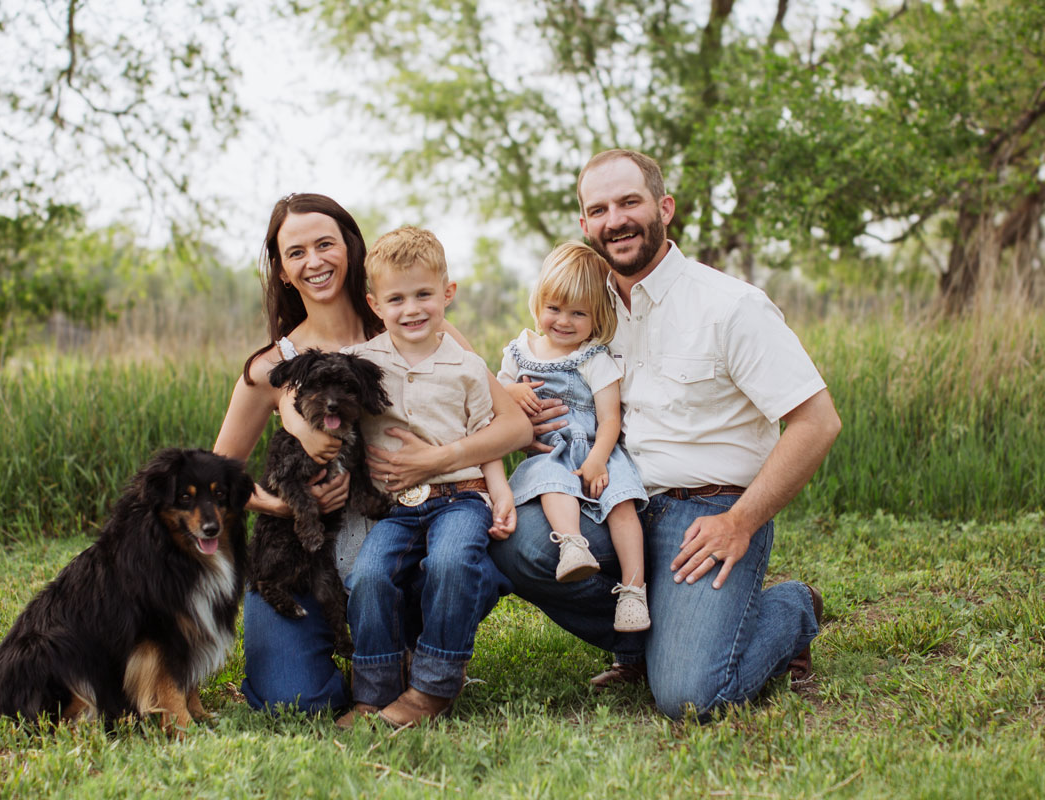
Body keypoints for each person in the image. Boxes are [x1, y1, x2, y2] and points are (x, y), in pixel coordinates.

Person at [488, 149, 842, 720]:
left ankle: (793, 609)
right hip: (609, 498)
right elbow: (540, 383)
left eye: (630, 202)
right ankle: (641, 644)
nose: (615, 220)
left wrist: (740, 521)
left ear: (665, 207)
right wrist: (526, 419)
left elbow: (817, 421)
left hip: (704, 511)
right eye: (598, 209)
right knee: (518, 541)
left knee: (690, 699)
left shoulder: (731, 306)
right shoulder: (585, 311)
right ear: (585, 225)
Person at [214, 195, 530, 714]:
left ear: (351, 250)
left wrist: (439, 460)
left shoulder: (416, 323)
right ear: (283, 271)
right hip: (302, 559)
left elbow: (506, 422)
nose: (313, 261)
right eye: (296, 253)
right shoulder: (272, 367)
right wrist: (282, 504)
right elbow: (218, 475)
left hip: (404, 530)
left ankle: (417, 653)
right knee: (295, 701)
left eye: (324, 244)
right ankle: (363, 665)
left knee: (450, 553)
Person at [339, 226, 517, 728]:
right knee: (369, 574)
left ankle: (433, 686)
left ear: (448, 294)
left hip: (462, 496)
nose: (411, 309)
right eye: (396, 298)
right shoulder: (363, 364)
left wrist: (498, 491)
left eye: (424, 294)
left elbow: (488, 433)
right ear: (375, 304)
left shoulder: (466, 366)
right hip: (396, 504)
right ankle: (374, 694)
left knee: (451, 560)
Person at [497, 241, 650, 632]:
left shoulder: (595, 358)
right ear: (539, 302)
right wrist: (512, 392)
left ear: (596, 315)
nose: (563, 321)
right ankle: (572, 544)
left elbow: (610, 419)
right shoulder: (520, 352)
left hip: (596, 449)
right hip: (552, 453)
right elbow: (494, 403)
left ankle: (634, 591)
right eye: (554, 308)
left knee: (621, 504)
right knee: (552, 482)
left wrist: (598, 458)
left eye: (578, 313)